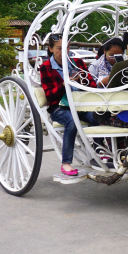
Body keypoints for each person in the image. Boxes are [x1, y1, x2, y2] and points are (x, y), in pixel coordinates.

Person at [40, 34, 97, 177]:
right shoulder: (46, 67)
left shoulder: (77, 62)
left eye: (66, 48)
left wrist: (80, 81)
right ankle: (66, 162)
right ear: (51, 49)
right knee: (71, 121)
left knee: (98, 118)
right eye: (59, 48)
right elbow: (49, 96)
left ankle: (100, 154)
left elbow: (92, 84)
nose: (62, 51)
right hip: (59, 106)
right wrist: (65, 85)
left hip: (80, 104)